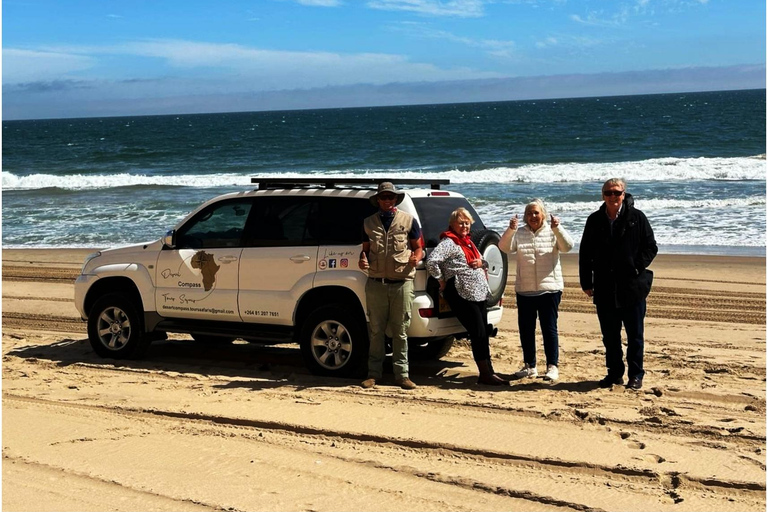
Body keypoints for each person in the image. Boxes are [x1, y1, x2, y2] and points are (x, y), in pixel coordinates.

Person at [579, 178, 658, 390]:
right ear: (602, 195)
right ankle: (614, 374)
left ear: (624, 194)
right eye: (608, 193)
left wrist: (635, 267)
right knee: (610, 337)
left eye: (616, 192)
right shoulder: (594, 220)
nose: (612, 197)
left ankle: (636, 375)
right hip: (604, 286)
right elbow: (585, 253)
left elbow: (651, 247)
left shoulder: (637, 217)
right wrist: (586, 281)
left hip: (632, 287)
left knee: (635, 335)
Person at [426, 207, 508, 386]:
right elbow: (432, 261)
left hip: (478, 293)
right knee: (478, 332)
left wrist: (482, 262)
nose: (464, 226)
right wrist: (441, 280)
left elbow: (483, 262)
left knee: (483, 332)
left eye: (467, 223)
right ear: (452, 225)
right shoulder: (449, 242)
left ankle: (488, 371)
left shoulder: (468, 242)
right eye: (460, 223)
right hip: (461, 292)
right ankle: (485, 374)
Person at [499, 199, 574, 382]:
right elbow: (504, 247)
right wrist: (511, 229)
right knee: (526, 330)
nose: (533, 216)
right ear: (525, 216)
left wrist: (557, 228)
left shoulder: (551, 231)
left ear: (543, 215)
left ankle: (552, 366)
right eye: (529, 213)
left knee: (549, 329)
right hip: (525, 290)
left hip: (549, 290)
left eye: (536, 213)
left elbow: (567, 247)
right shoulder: (520, 233)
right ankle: (530, 366)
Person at [359, 182, 423, 390]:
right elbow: (365, 250)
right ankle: (373, 374)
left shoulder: (409, 221)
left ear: (395, 199)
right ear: (378, 200)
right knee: (376, 330)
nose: (387, 200)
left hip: (402, 283)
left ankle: (402, 375)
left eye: (390, 197)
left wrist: (416, 258)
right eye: (383, 197)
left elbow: (418, 247)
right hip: (376, 283)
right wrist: (362, 260)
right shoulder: (368, 223)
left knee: (400, 330)